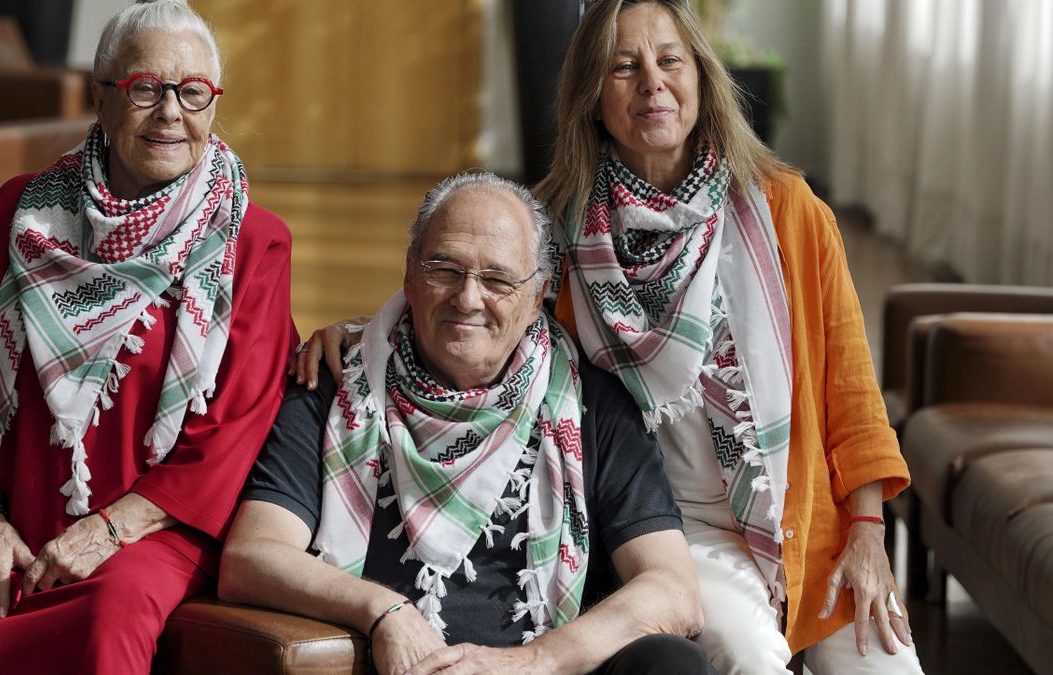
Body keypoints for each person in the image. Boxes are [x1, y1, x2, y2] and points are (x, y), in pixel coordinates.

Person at [294, 2, 924, 672]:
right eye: (624, 67)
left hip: (805, 516)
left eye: (669, 60)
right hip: (678, 526)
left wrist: (865, 531)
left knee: (884, 664)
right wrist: (367, 331)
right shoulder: (560, 229)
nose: (652, 82)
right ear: (594, 98)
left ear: (702, 80)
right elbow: (474, 291)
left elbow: (853, 390)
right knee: (746, 654)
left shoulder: (789, 212)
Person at [0, 1, 296, 672]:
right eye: (143, 87)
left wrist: (107, 530)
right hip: (26, 528)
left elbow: (234, 433)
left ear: (214, 104)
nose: (169, 112)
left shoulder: (251, 241)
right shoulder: (23, 217)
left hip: (161, 535)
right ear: (100, 97)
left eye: (192, 92)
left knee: (110, 619)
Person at [222, 172, 713, 675]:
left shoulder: (593, 402)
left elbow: (672, 590)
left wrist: (531, 662)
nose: (468, 299)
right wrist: (383, 611)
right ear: (409, 273)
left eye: (498, 279)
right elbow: (253, 555)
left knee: (673, 663)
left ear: (537, 293)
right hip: (389, 667)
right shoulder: (331, 380)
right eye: (445, 269)